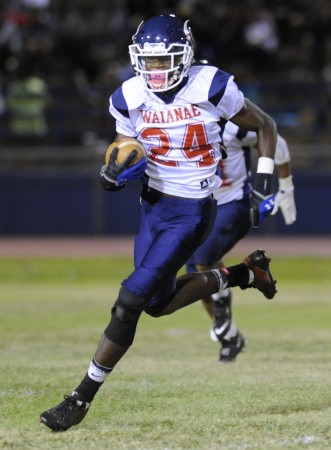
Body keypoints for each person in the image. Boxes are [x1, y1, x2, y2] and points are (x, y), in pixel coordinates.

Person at [39, 14, 278, 432]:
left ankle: (80, 398)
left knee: (130, 300)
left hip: (191, 210)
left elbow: (265, 126)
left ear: (183, 56)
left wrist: (264, 175)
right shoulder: (128, 96)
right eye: (147, 62)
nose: (154, 70)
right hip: (152, 206)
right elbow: (125, 147)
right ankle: (245, 273)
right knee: (156, 303)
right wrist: (113, 171)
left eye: (162, 61)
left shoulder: (213, 86)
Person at [186, 121, 297, 363]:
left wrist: (286, 187)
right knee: (196, 281)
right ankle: (231, 337)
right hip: (199, 207)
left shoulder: (233, 127)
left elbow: (277, 142)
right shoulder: (179, 125)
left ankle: (225, 301)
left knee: (203, 259)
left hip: (234, 204)